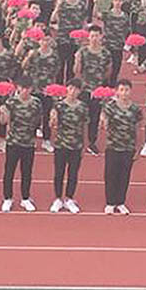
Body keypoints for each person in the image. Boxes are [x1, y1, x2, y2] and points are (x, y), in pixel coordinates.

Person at [0, 76, 41, 211]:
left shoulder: (36, 103)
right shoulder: (11, 102)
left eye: (28, 89)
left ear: (31, 89)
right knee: (9, 172)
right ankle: (7, 198)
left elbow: (38, 120)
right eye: (22, 88)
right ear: (18, 88)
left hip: (28, 143)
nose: (25, 91)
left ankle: (25, 198)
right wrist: (3, 112)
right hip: (13, 142)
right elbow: (3, 122)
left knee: (27, 172)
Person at [100, 79, 141, 214]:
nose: (124, 93)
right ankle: (110, 202)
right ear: (117, 91)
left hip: (128, 147)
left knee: (124, 176)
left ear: (130, 91)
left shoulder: (135, 108)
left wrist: (137, 147)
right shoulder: (110, 106)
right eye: (121, 90)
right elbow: (104, 121)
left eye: (127, 90)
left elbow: (137, 127)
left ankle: (121, 202)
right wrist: (103, 121)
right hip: (113, 146)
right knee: (111, 175)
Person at [49, 78, 88, 213]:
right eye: (70, 88)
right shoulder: (59, 106)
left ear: (79, 91)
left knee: (73, 173)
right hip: (61, 144)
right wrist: (52, 120)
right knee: (59, 173)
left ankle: (69, 198)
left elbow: (84, 126)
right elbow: (52, 125)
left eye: (76, 89)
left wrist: (84, 144)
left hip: (76, 145)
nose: (72, 91)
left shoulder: (82, 107)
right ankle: (58, 198)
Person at [75, 25, 110, 154]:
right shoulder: (83, 51)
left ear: (101, 37)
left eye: (97, 35)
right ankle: (77, 140)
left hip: (98, 91)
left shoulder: (106, 53)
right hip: (84, 89)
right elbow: (77, 71)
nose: (94, 38)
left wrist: (100, 86)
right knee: (79, 116)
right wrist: (77, 61)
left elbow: (108, 71)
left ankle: (91, 142)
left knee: (94, 118)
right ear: (88, 37)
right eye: (92, 36)